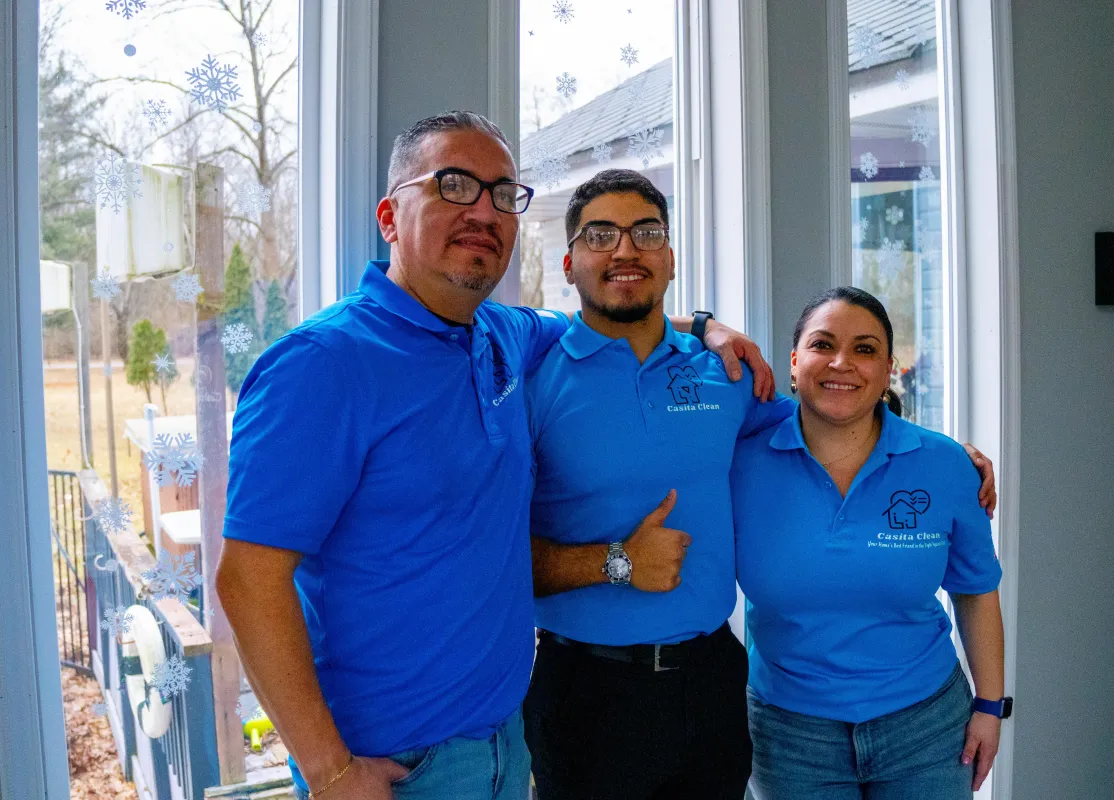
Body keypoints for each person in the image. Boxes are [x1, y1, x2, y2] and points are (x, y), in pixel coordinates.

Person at [214, 113, 770, 800]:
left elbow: (604, 318)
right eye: (454, 185)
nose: (484, 210)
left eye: (503, 194)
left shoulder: (502, 337)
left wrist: (707, 326)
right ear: (390, 216)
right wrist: (329, 772)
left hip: (505, 742)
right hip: (395, 767)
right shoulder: (324, 365)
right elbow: (248, 580)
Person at [521, 172, 998, 799]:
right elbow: (488, 552)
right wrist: (618, 562)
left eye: (647, 233)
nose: (624, 250)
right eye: (600, 235)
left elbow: (835, 412)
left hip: (712, 678)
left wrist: (945, 456)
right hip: (586, 685)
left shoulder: (728, 379)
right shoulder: (530, 378)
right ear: (569, 261)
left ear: (669, 259)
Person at [731, 286, 1010, 799]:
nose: (842, 362)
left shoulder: (944, 464)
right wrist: (708, 325)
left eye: (864, 349)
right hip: (789, 734)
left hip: (926, 726)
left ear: (887, 371)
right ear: (794, 364)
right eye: (822, 345)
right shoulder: (739, 460)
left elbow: (975, 590)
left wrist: (990, 707)